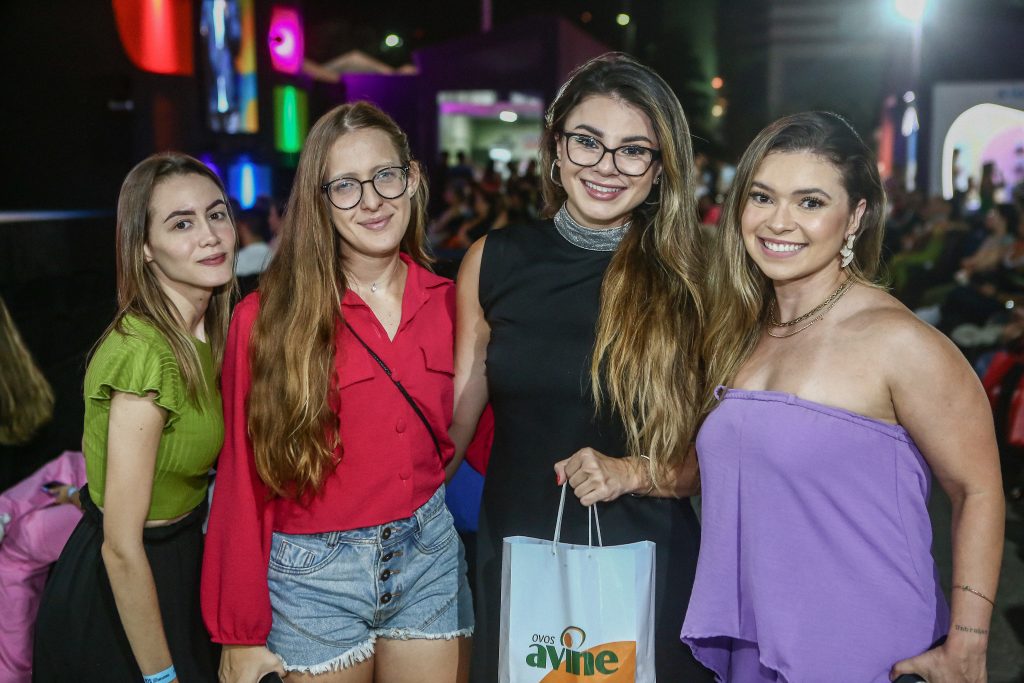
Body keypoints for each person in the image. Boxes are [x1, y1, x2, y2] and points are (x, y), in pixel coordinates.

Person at [681, 111, 1004, 682]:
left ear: (854, 216)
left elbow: (976, 489)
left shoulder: (900, 342)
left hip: (866, 643)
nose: (779, 222)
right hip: (757, 639)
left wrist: (970, 644)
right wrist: (625, 472)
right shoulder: (741, 334)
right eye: (762, 196)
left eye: (810, 202)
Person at [449, 52, 712, 681]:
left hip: (648, 557)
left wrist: (631, 471)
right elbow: (452, 427)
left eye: (633, 150)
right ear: (556, 149)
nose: (605, 167)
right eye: (587, 142)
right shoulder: (495, 260)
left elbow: (725, 454)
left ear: (659, 169)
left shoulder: (694, 280)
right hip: (517, 549)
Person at [201, 101, 473, 683]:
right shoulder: (266, 318)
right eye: (345, 186)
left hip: (429, 557)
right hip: (312, 576)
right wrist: (239, 631)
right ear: (319, 202)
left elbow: (503, 432)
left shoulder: (453, 303)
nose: (371, 200)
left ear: (413, 178)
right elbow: (241, 481)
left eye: (385, 176)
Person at [34, 152, 236, 682]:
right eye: (182, 223)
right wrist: (162, 677)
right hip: (120, 593)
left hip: (178, 566)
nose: (210, 235)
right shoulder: (144, 354)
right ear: (144, 248)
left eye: (217, 214)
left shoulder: (212, 332)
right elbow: (121, 547)